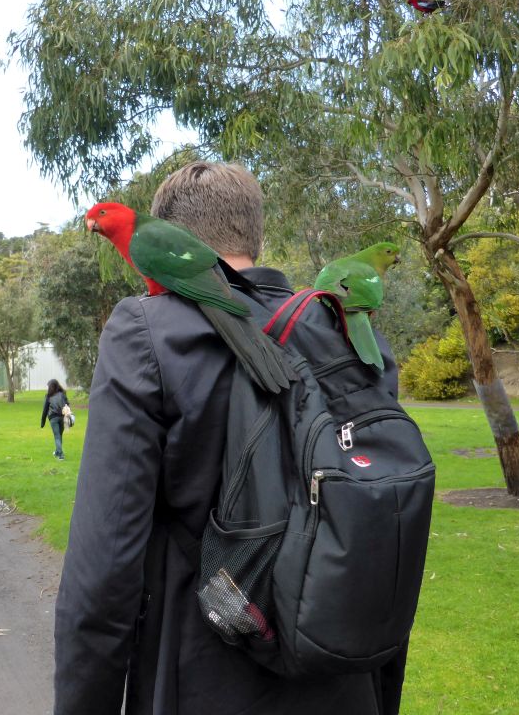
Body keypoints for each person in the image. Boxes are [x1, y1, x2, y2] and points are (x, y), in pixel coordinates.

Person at [54, 162, 409, 715]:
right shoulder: (348, 333)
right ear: (256, 236)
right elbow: (387, 528)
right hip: (343, 681)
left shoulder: (148, 332)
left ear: (168, 236)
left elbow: (102, 570)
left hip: (199, 678)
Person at [40, 379, 70, 460]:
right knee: (59, 436)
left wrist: (42, 422)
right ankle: (57, 451)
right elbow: (67, 405)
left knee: (57, 436)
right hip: (63, 417)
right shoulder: (62, 394)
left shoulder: (48, 397)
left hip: (53, 418)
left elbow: (45, 410)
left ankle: (60, 455)